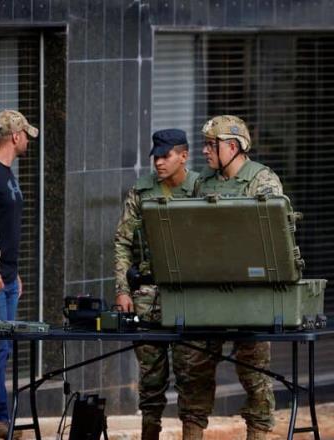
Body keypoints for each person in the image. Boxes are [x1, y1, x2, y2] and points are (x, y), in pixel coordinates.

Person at [180, 115, 282, 440]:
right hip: (209, 293)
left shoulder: (263, 182)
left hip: (250, 295)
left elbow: (276, 238)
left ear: (234, 147)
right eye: (206, 144)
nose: (205, 152)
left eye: (212, 145)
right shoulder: (202, 183)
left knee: (255, 378)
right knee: (194, 373)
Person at [113, 129, 200, 440]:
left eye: (166, 156)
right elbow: (123, 243)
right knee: (151, 377)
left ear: (184, 156)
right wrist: (123, 290)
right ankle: (150, 431)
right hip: (147, 297)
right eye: (157, 157)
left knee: (192, 376)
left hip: (191, 298)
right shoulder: (141, 191)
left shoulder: (201, 190)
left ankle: (192, 434)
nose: (160, 163)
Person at [0, 110, 37, 439]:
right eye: (25, 134)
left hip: (9, 278)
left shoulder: (7, 174)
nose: (28, 140)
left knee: (4, 347)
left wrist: (14, 273)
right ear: (15, 137)